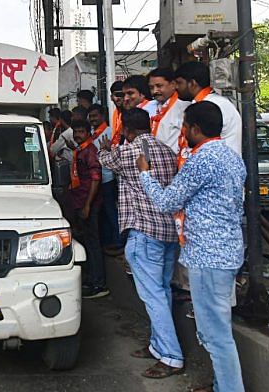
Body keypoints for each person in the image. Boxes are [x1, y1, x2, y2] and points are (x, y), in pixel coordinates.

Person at [138, 101, 246, 392]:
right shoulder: (232, 157)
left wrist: (145, 174)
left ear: (196, 129)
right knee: (218, 328)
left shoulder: (201, 161)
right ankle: (222, 384)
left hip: (208, 257)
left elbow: (166, 202)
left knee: (215, 334)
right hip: (228, 252)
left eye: (184, 127)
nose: (181, 132)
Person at [98, 108, 183, 379]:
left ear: (126, 130)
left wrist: (104, 146)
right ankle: (159, 346)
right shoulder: (168, 151)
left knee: (152, 295)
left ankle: (171, 355)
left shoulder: (127, 151)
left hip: (144, 232)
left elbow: (104, 160)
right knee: (163, 292)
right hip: (169, 231)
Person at [68, 119, 107, 299]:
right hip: (78, 200)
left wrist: (87, 205)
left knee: (93, 244)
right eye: (75, 131)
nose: (77, 135)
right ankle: (91, 279)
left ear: (88, 132)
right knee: (86, 242)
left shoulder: (90, 151)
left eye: (81, 131)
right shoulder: (79, 150)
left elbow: (95, 178)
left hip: (87, 202)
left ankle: (99, 284)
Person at [175, 61, 242, 156]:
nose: (176, 87)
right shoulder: (211, 102)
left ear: (192, 83)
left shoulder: (211, 105)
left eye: (179, 83)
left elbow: (200, 141)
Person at [87, 104, 121, 254]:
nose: (92, 119)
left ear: (102, 116)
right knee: (103, 213)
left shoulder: (109, 131)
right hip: (96, 179)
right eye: (91, 116)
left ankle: (118, 242)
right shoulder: (93, 133)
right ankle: (108, 241)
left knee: (110, 211)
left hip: (107, 178)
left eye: (95, 116)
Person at [148, 68, 191, 154]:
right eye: (151, 87)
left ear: (173, 84)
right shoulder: (150, 107)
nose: (154, 91)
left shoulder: (185, 107)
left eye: (159, 86)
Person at [110, 81, 125, 146]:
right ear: (111, 97)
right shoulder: (115, 113)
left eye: (121, 95)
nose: (118, 98)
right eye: (116, 95)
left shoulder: (130, 112)